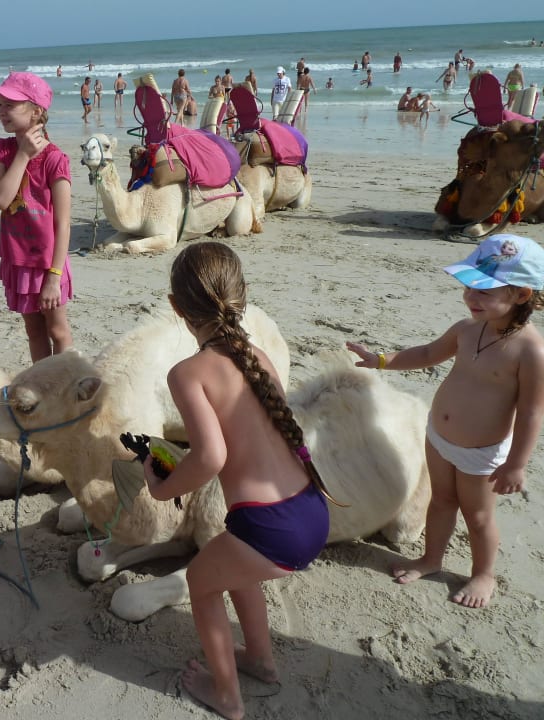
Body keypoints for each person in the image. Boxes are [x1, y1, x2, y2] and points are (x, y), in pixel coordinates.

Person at [145, 242, 332, 719]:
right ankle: (260, 661)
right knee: (232, 568)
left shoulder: (188, 373)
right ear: (242, 295)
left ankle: (227, 696)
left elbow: (211, 456)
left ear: (175, 306)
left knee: (201, 582)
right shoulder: (259, 356)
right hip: (310, 508)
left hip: (268, 527)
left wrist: (163, 486)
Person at [347, 234, 544, 609]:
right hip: (438, 437)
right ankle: (431, 559)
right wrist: (381, 360)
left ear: (521, 295)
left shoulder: (530, 351)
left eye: (483, 291)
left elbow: (532, 412)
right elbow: (426, 354)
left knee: (478, 516)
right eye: (468, 287)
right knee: (440, 502)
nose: (471, 297)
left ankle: (484, 574)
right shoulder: (466, 329)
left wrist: (516, 464)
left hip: (481, 452)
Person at [0, 72, 74, 362]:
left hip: (48, 264)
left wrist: (54, 277)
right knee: (34, 331)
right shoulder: (3, 150)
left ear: (36, 111)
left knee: (57, 330)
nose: (2, 111)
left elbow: (63, 224)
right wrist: (22, 155)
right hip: (19, 260)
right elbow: (2, 199)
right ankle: (42, 383)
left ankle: (64, 382)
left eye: (10, 105)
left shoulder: (54, 159)